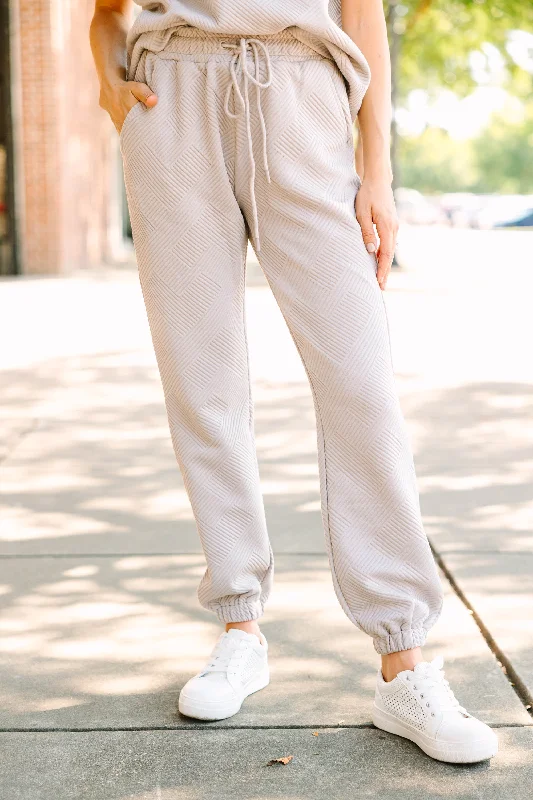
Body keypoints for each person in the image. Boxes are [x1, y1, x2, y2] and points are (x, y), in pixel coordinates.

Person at [90, 0, 497, 763]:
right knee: (201, 381)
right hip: (171, 100)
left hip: (302, 94)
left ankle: (402, 658)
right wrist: (110, 87)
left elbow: (361, 9)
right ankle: (239, 626)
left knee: (361, 384)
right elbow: (106, 13)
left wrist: (376, 170)